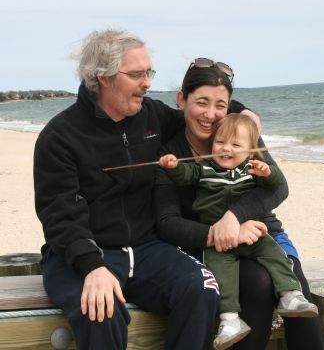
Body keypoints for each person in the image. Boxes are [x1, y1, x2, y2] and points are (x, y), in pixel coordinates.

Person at [34, 29, 223, 350]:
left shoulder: (151, 115)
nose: (147, 83)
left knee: (202, 289)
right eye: (136, 74)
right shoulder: (60, 137)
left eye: (148, 72)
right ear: (103, 78)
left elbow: (198, 117)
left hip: (147, 249)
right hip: (81, 254)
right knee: (100, 311)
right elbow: (60, 216)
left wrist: (243, 113)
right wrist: (92, 266)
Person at [153, 58, 324, 350]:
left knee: (297, 292)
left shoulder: (241, 133)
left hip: (261, 231)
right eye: (202, 102)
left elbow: (278, 187)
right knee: (257, 282)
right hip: (209, 244)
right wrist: (222, 230)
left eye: (220, 105)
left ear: (230, 106)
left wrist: (235, 216)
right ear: (182, 99)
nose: (210, 114)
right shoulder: (171, 152)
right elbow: (167, 222)